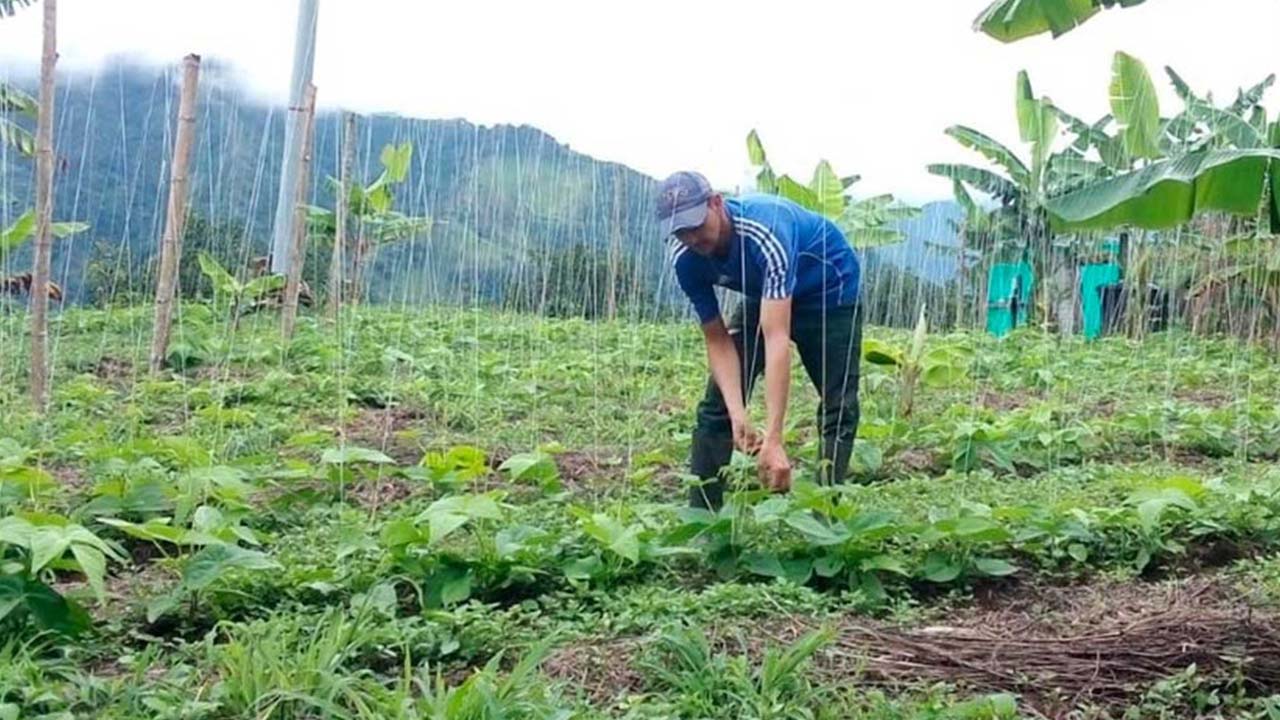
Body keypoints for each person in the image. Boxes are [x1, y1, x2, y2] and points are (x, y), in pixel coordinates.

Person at [655, 170, 863, 510]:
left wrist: (774, 439)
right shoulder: (686, 261)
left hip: (829, 292)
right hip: (766, 292)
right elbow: (717, 340)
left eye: (696, 224)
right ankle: (702, 518)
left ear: (717, 203)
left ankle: (828, 510)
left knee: (839, 405)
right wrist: (739, 413)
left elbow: (776, 338)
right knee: (716, 406)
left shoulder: (765, 230)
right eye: (680, 230)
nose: (691, 237)